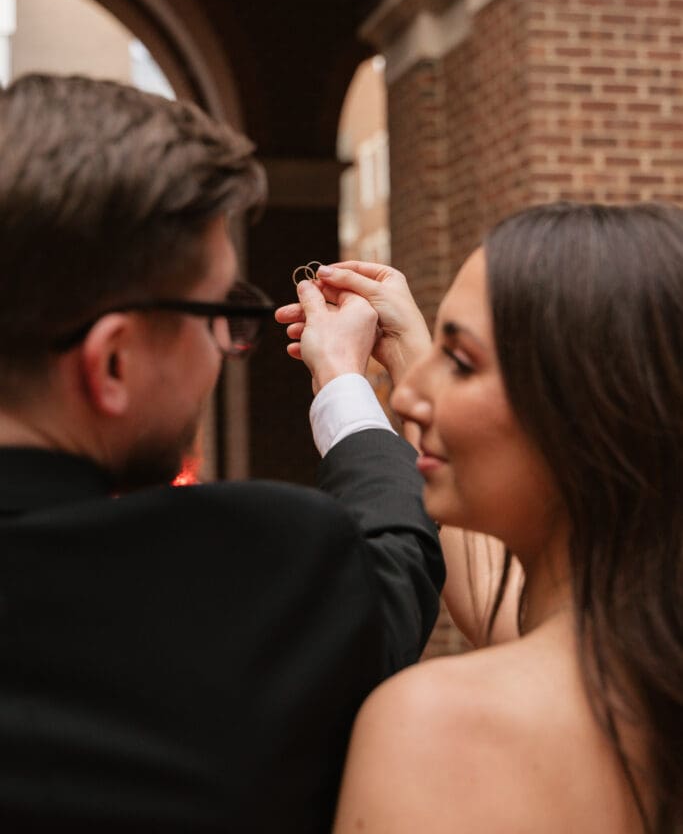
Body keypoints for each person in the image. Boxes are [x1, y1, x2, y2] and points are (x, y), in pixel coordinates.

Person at [0, 73, 444, 832]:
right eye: (218, 315)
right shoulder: (248, 572)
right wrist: (342, 383)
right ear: (112, 363)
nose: (224, 348)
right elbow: (394, 564)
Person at [278, 202, 683, 834]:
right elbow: (510, 615)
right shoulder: (644, 659)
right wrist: (412, 348)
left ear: (588, 410)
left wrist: (341, 388)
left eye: (461, 362)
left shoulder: (434, 725)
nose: (409, 399)